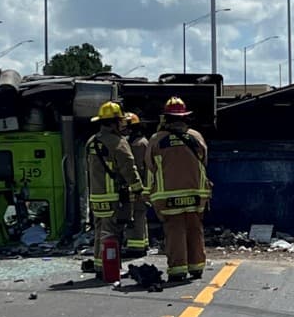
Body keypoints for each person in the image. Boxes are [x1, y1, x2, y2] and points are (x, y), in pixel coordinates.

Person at [147, 96, 211, 282]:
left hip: (167, 195)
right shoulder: (196, 137)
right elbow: (204, 161)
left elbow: (150, 166)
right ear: (185, 117)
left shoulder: (157, 139)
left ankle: (177, 270)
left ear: (165, 118)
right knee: (194, 229)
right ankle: (197, 267)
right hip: (196, 193)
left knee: (175, 231)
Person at [85, 101, 145, 262]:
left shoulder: (92, 141)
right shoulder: (117, 142)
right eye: (120, 121)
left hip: (96, 196)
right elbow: (129, 167)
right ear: (114, 123)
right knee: (112, 233)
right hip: (114, 197)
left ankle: (100, 264)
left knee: (100, 231)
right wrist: (138, 189)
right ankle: (109, 266)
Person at [123, 112, 152, 257]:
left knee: (136, 215)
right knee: (140, 214)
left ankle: (135, 247)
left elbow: (137, 168)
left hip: (138, 186)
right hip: (141, 186)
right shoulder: (141, 142)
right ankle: (143, 243)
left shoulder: (137, 144)